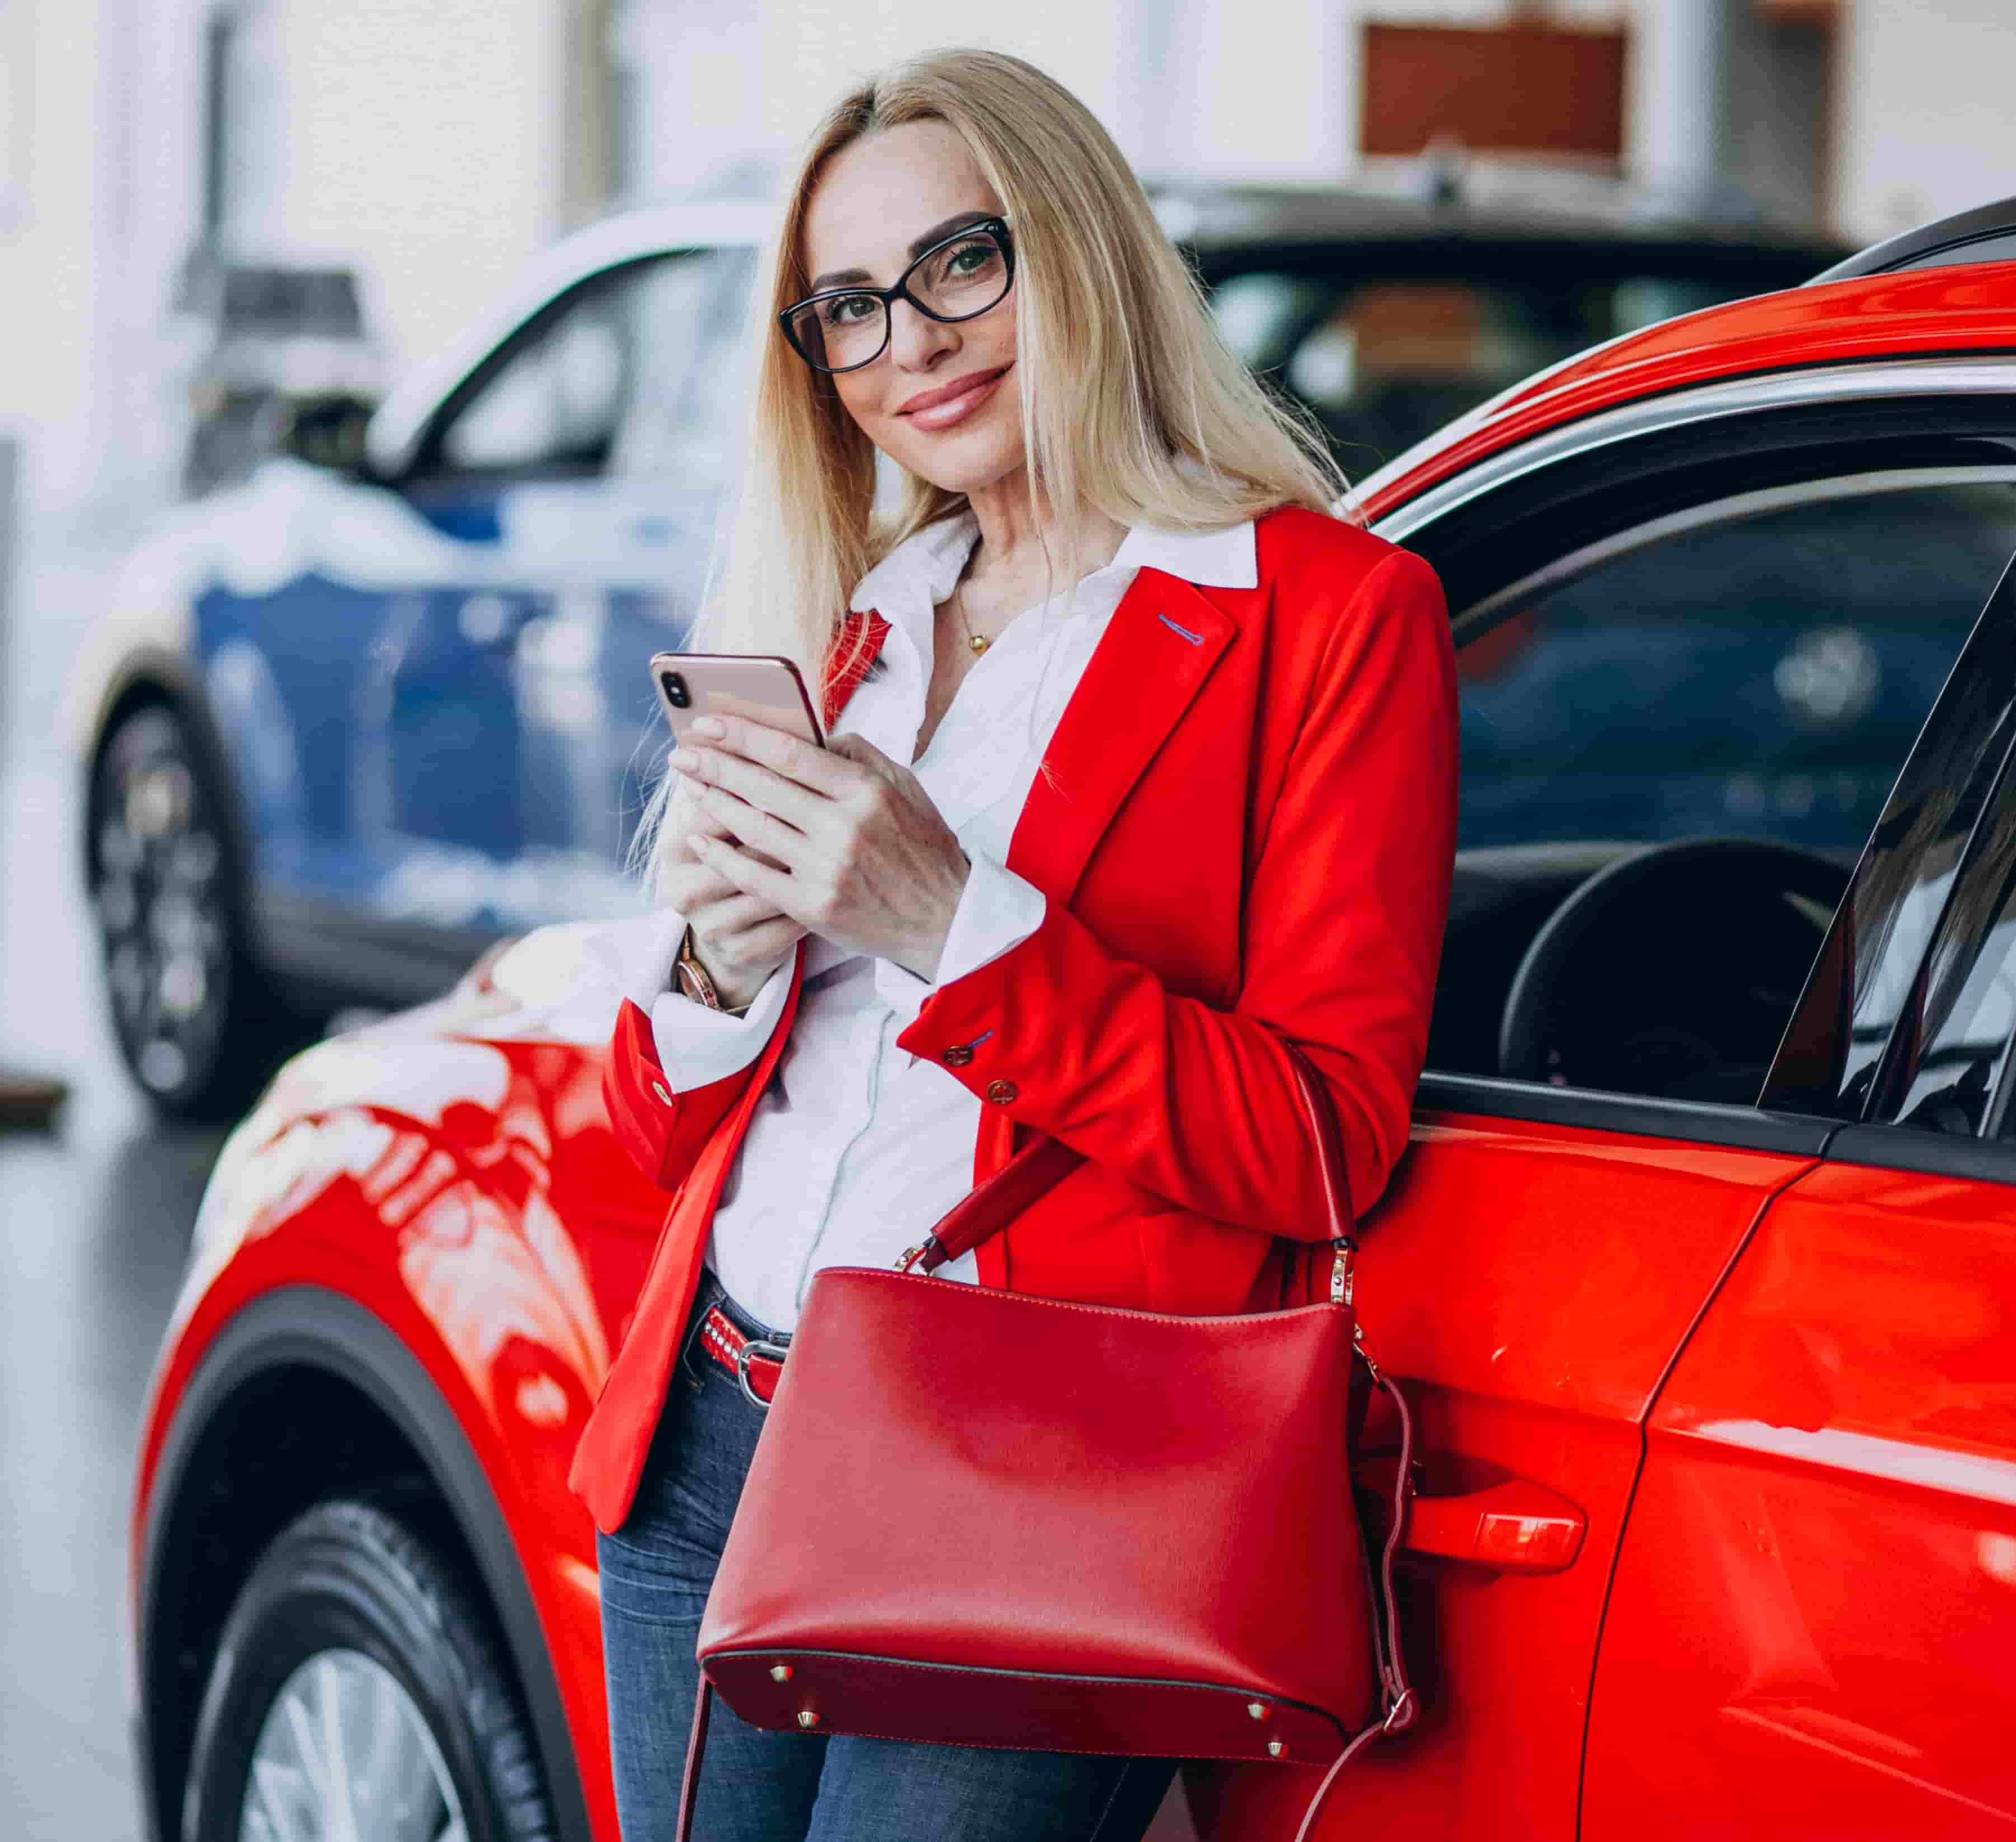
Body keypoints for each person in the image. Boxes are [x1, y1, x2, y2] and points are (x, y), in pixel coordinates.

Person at [562, 46, 1457, 1842]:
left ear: (1081, 247)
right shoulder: (845, 626)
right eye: (849, 309)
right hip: (709, 1443)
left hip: (1024, 1471)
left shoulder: (1325, 618)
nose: (916, 343)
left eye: (965, 262)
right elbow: (666, 1137)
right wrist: (722, 972)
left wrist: (951, 928)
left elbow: (1318, 1138)